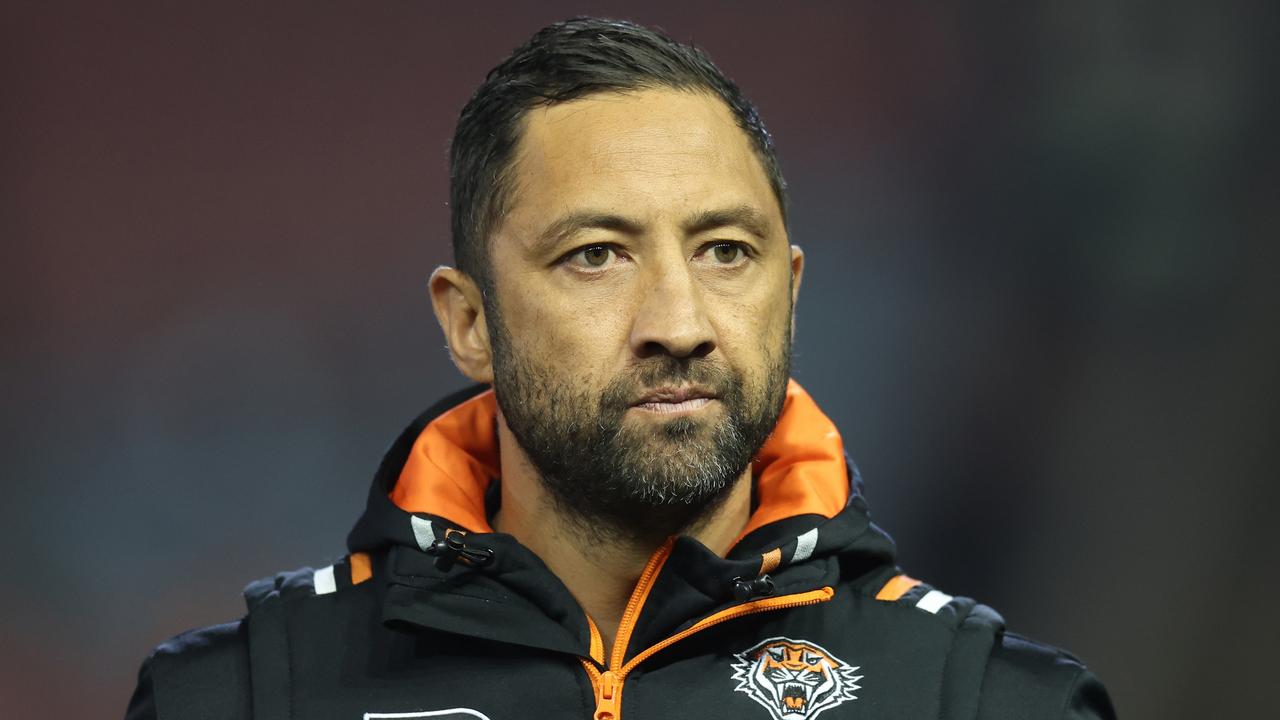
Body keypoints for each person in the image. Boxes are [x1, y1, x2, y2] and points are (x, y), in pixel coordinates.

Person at [126, 17, 1115, 720]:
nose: (676, 323)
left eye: (725, 250)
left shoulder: (985, 701)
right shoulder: (241, 698)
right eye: (596, 254)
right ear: (468, 322)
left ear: (792, 288)